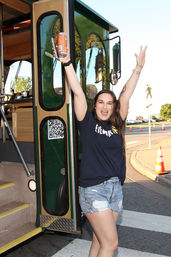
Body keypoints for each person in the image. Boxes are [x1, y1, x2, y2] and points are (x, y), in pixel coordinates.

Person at [58, 45, 147, 257]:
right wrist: (67, 63)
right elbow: (78, 92)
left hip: (115, 188)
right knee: (111, 243)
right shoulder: (87, 124)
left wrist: (138, 69)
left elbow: (125, 95)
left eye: (109, 103)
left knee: (100, 241)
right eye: (101, 102)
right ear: (95, 105)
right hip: (93, 190)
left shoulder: (117, 124)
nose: (105, 107)